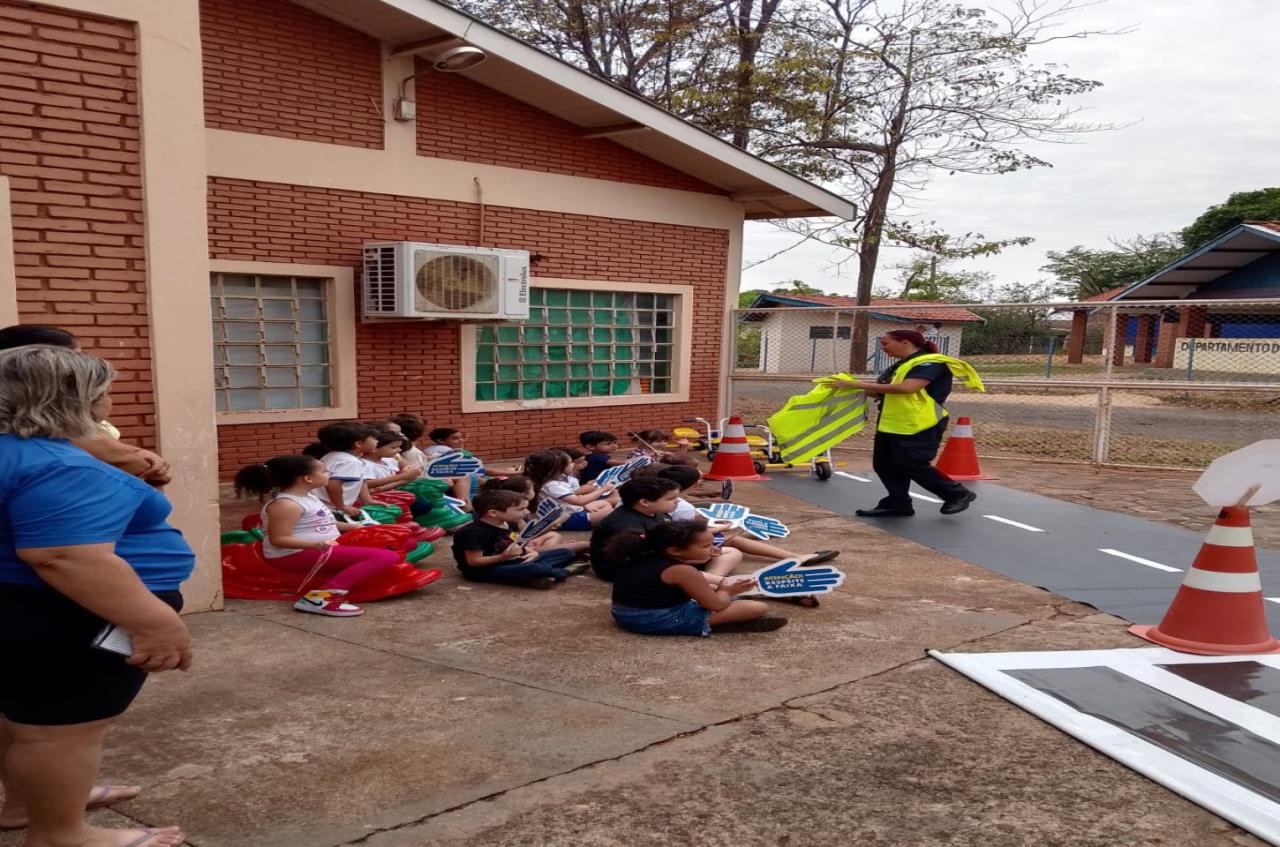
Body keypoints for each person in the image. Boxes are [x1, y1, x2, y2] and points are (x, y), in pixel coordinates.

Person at [0, 345, 192, 847]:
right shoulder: (61, 466)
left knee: (23, 716)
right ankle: (61, 833)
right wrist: (157, 621)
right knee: (62, 728)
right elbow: (67, 557)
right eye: (102, 392)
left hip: (22, 609)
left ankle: (30, 802)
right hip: (63, 614)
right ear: (71, 399)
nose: (108, 402)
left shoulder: (15, 451)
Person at [817, 329, 983, 517]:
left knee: (911, 463)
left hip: (919, 423)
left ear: (905, 342)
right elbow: (883, 391)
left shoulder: (930, 363)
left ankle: (957, 494)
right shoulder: (901, 366)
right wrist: (848, 386)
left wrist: (858, 385)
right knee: (884, 464)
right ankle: (898, 503)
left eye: (885, 343)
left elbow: (908, 388)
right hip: (893, 421)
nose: (882, 348)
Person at [0, 324, 171, 486]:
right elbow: (128, 462)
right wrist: (136, 460)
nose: (82, 370)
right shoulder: (31, 434)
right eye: (73, 361)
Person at [234, 456, 400, 617]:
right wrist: (315, 545)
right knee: (384, 556)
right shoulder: (286, 505)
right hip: (292, 555)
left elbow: (325, 523)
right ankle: (321, 598)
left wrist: (356, 527)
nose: (329, 474)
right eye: (324, 471)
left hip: (320, 547)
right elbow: (278, 539)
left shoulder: (308, 497)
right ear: (308, 478)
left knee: (392, 543)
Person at [608, 521, 787, 636]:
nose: (712, 548)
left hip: (624, 612)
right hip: (652, 619)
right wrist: (725, 591)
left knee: (722, 593)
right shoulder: (681, 570)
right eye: (706, 546)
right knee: (756, 607)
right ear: (675, 551)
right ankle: (709, 624)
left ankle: (711, 617)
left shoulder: (644, 554)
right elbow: (717, 604)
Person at [451, 490, 582, 588]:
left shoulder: (509, 522)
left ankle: (542, 575)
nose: (526, 513)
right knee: (535, 569)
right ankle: (557, 572)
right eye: (521, 509)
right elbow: (474, 562)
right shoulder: (472, 532)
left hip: (513, 560)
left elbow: (516, 543)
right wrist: (503, 557)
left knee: (566, 552)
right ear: (493, 513)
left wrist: (531, 552)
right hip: (485, 569)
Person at [588, 476, 681, 581]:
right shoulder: (624, 523)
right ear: (645, 502)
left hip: (645, 559)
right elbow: (634, 554)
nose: (677, 501)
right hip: (619, 569)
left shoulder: (660, 515)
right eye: (670, 499)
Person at [480, 476, 588, 558]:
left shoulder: (513, 511)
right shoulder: (512, 516)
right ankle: (548, 554)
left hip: (524, 545)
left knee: (554, 535)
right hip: (517, 549)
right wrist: (554, 523)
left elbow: (527, 535)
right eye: (532, 489)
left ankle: (548, 553)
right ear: (523, 493)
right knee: (582, 545)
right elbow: (525, 536)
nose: (535, 491)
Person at [524, 448, 617, 530]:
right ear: (558, 468)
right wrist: (602, 489)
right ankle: (601, 524)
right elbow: (579, 501)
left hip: (575, 511)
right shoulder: (552, 485)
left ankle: (602, 523)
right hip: (568, 519)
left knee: (605, 504)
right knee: (613, 513)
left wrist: (585, 506)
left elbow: (573, 499)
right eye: (570, 463)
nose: (573, 464)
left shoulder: (558, 480)